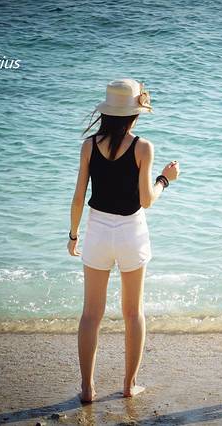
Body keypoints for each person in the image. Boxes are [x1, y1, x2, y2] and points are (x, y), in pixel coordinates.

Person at [67, 79, 179, 402]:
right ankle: (129, 385)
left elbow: (78, 197)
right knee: (133, 312)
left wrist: (73, 234)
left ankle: (87, 388)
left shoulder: (89, 146)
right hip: (131, 232)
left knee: (91, 314)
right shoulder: (143, 148)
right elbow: (146, 200)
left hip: (98, 231)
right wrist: (165, 179)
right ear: (134, 114)